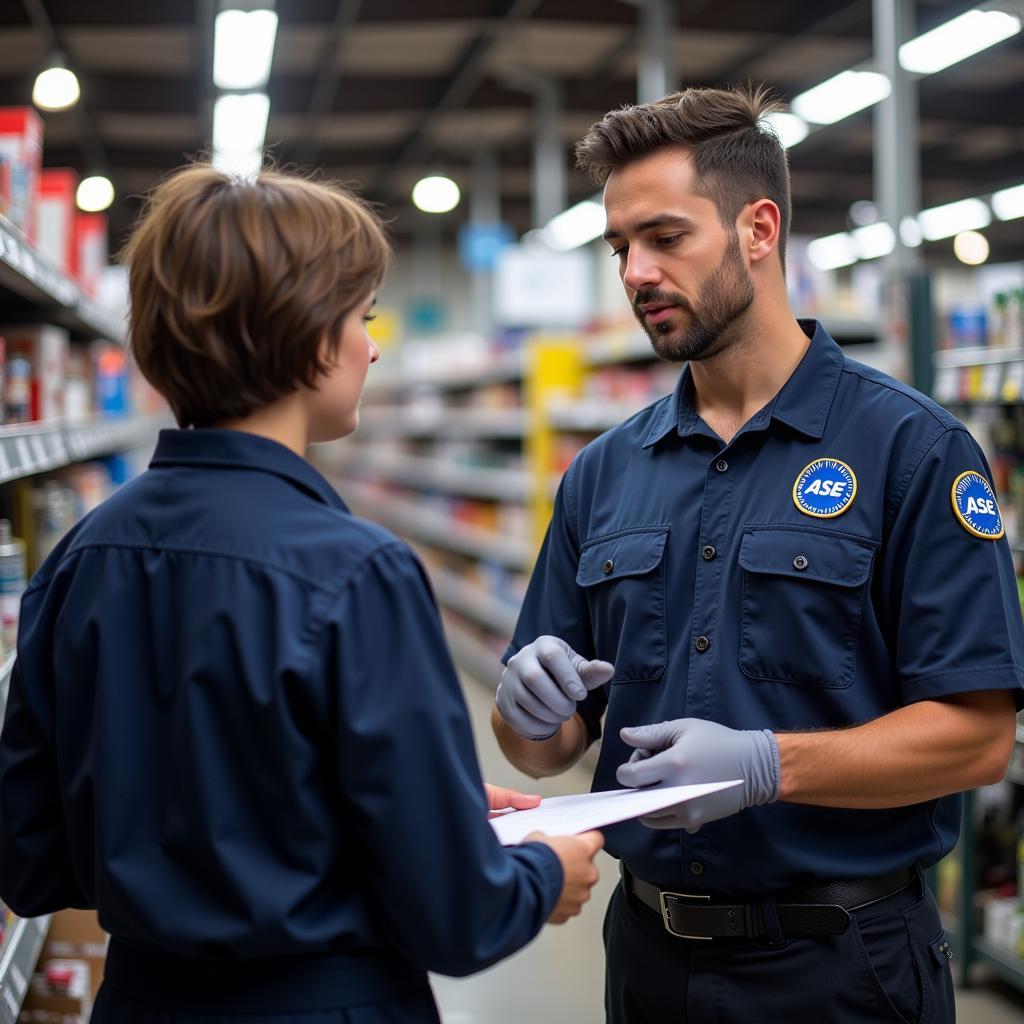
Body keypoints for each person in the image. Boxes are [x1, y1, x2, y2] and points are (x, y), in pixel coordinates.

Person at [0, 165, 604, 1024]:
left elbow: (30, 862)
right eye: (361, 317)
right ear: (308, 336)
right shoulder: (358, 572)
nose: (374, 346)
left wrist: (421, 810)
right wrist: (546, 870)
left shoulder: (80, 556)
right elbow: (457, 918)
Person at [492, 84, 1024, 1024]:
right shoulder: (603, 473)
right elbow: (547, 749)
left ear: (759, 229)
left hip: (846, 970)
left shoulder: (911, 450)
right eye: (620, 248)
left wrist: (769, 765)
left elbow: (979, 738)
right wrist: (525, 715)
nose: (636, 272)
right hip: (649, 961)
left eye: (665, 237)